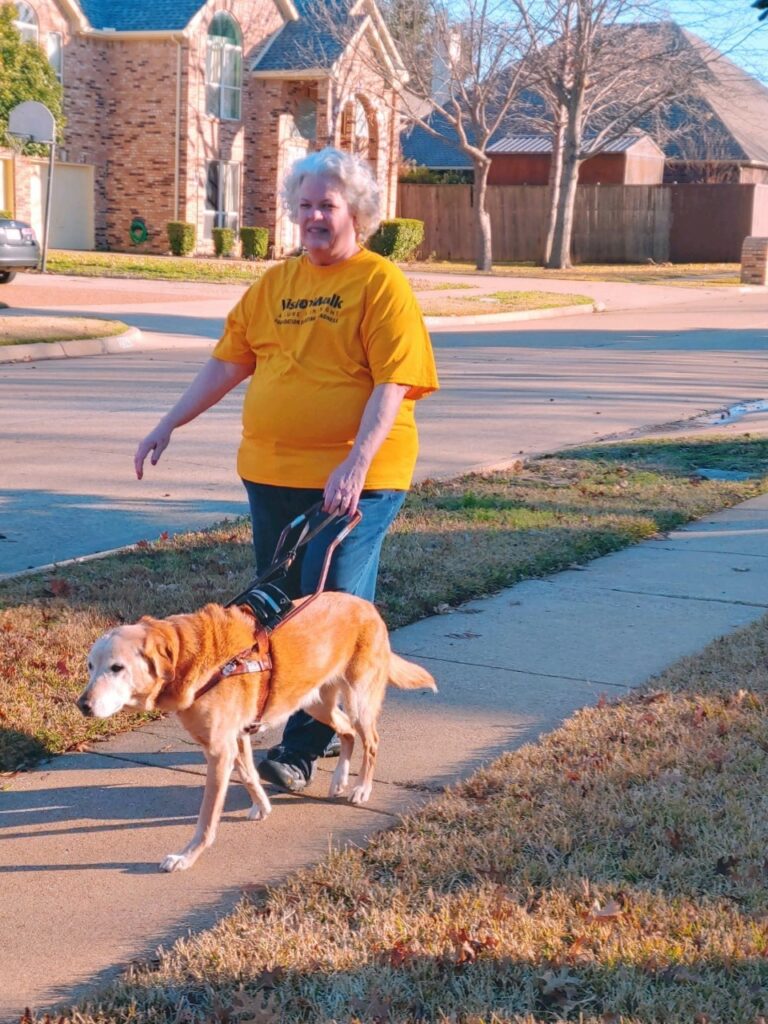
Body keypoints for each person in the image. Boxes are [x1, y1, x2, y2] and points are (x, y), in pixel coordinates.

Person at [134, 146, 438, 793]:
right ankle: (272, 712)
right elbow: (226, 363)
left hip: (358, 478)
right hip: (271, 472)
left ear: (356, 211)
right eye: (304, 206)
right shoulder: (276, 284)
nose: (312, 217)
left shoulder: (380, 283)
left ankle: (302, 751)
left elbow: (393, 381)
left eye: (325, 205)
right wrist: (169, 421)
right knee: (273, 606)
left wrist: (356, 461)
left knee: (326, 609)